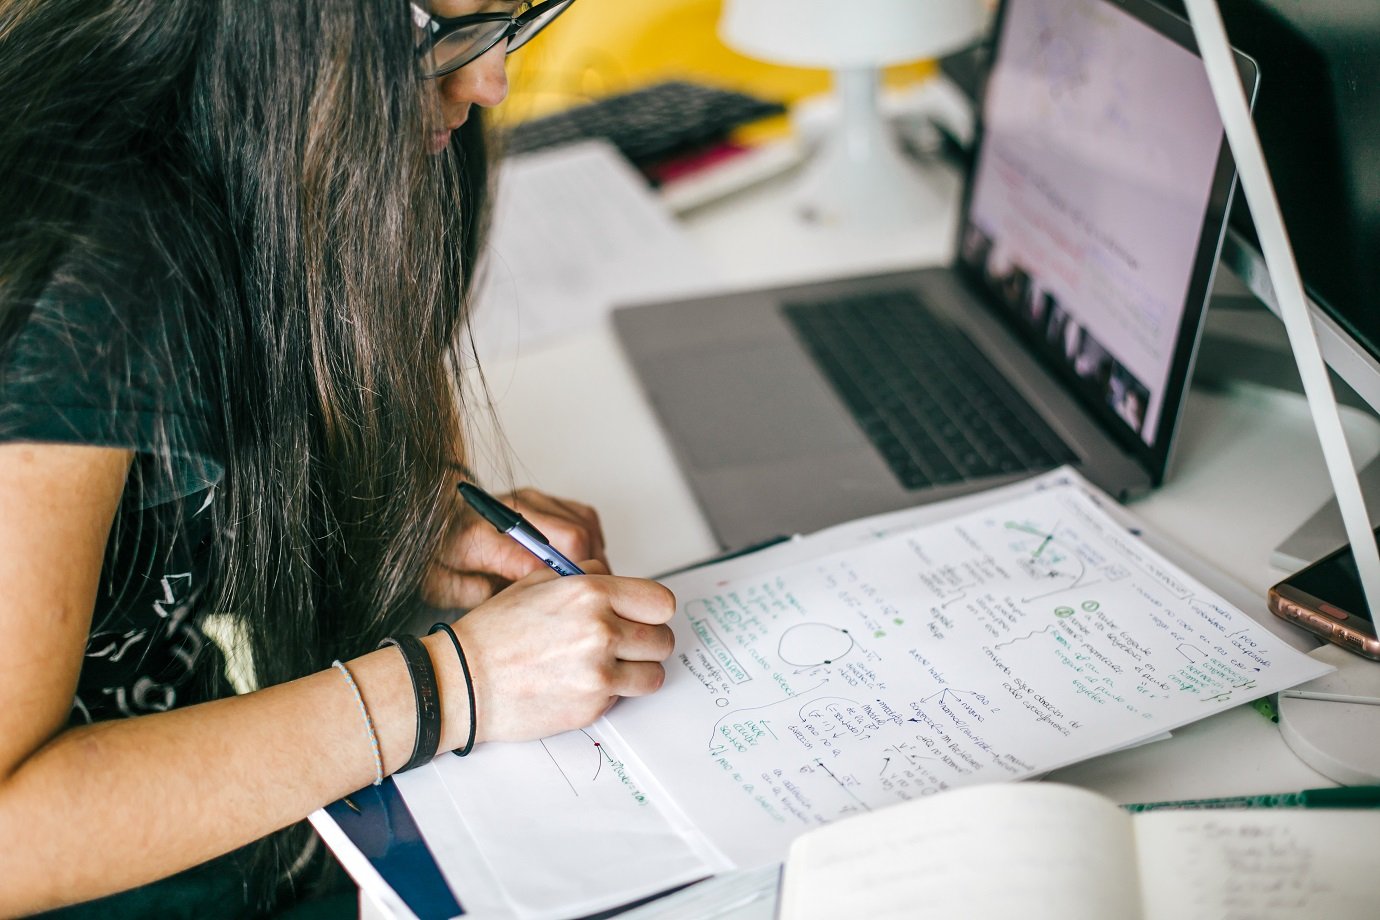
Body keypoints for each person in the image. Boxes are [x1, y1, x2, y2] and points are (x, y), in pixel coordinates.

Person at [0, 0, 677, 916]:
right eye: (448, 36)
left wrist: (411, 517)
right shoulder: (86, 279)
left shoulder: (310, 148)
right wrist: (456, 686)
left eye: (507, 22)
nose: (488, 85)